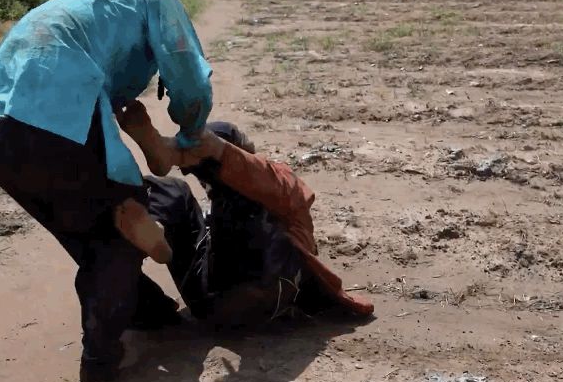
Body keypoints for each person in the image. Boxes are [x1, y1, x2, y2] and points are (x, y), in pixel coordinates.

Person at [0, 0, 213, 382]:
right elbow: (188, 74)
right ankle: (100, 360)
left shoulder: (84, 5)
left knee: (83, 224)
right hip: (54, 120)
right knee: (122, 225)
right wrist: (192, 135)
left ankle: (144, 310)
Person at [118, 104, 376, 328]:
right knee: (246, 203)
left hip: (210, 301)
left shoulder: (248, 205)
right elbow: (287, 189)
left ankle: (155, 214)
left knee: (171, 195)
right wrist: (222, 151)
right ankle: (199, 154)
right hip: (258, 296)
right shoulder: (274, 195)